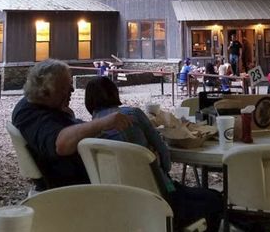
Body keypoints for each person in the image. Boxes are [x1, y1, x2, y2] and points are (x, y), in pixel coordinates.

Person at [84, 77, 223, 232]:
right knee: (215, 199)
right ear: (114, 93)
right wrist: (152, 155)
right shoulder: (133, 114)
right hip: (161, 201)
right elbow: (167, 163)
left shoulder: (86, 132)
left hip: (120, 207)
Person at [11, 59, 133, 189]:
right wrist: (103, 123)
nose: (72, 89)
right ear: (46, 91)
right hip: (83, 184)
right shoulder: (30, 114)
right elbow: (62, 144)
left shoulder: (41, 105)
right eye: (65, 86)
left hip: (92, 168)